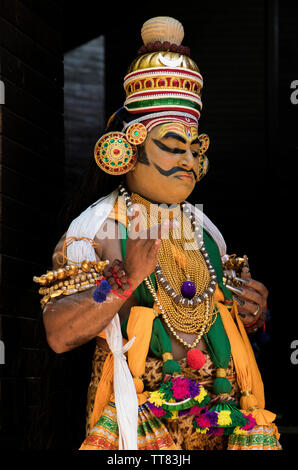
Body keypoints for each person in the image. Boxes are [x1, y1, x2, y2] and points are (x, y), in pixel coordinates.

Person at [38, 17, 281, 450]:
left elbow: (224, 313)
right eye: (173, 146)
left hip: (224, 418)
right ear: (128, 147)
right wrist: (123, 281)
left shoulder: (206, 230)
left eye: (196, 148)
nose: (189, 160)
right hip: (143, 421)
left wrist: (254, 314)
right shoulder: (98, 228)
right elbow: (58, 333)